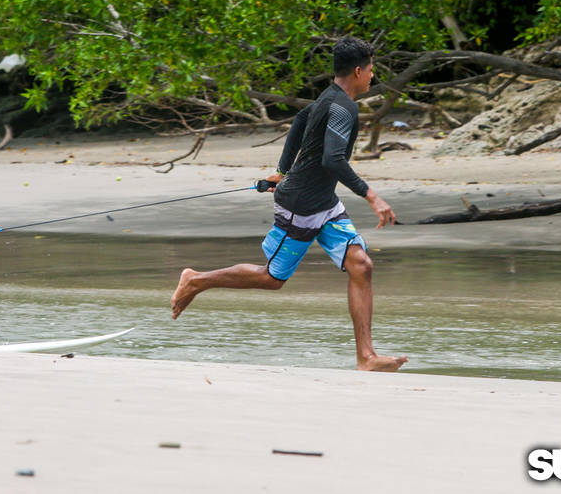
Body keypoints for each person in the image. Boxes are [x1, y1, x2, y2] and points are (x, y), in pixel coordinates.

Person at [171, 37, 407, 372]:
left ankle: (366, 357)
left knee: (361, 265)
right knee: (272, 278)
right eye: (371, 69)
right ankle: (196, 280)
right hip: (300, 205)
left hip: (324, 203)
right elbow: (333, 159)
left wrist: (282, 171)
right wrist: (373, 196)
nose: (372, 75)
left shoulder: (331, 98)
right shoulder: (342, 106)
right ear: (358, 71)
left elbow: (299, 122)